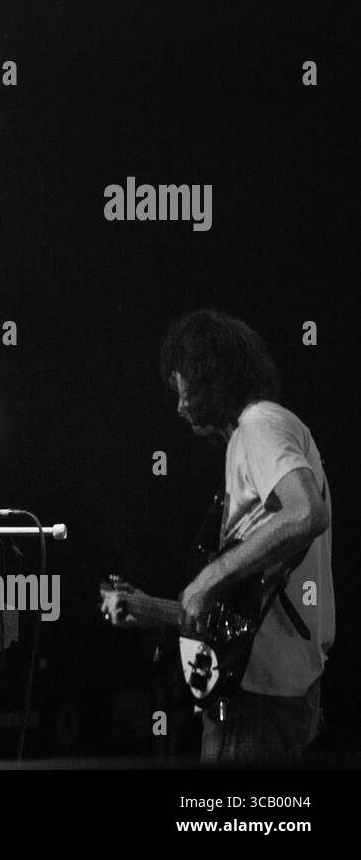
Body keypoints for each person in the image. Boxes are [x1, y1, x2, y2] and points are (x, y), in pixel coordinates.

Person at [104, 310, 332, 763]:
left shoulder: (260, 423)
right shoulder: (252, 437)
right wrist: (155, 609)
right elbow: (246, 609)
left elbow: (307, 513)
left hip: (258, 695)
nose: (179, 406)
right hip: (263, 685)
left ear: (210, 374)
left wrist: (207, 580)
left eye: (182, 385)